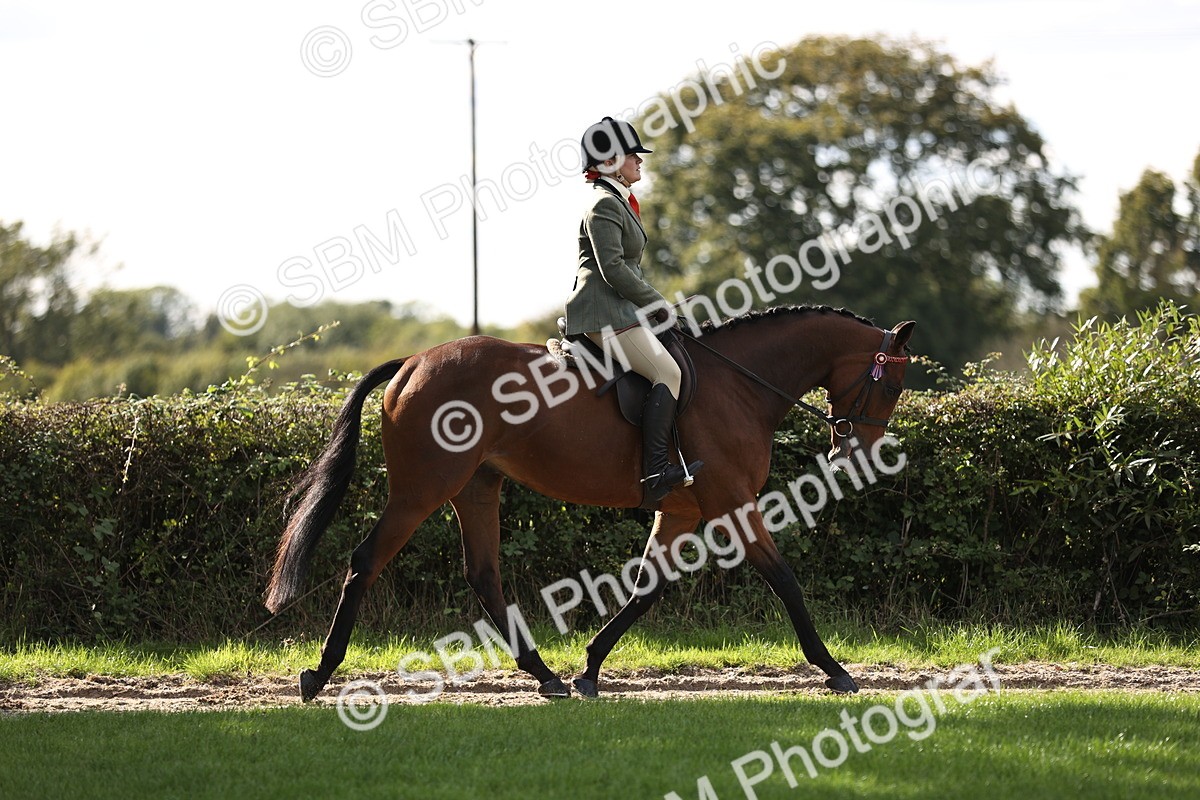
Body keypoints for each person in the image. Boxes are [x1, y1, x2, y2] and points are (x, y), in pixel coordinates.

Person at [563, 116, 703, 502]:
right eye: (632, 155)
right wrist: (657, 304)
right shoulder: (604, 205)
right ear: (609, 161)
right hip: (604, 315)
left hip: (620, 311)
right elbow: (613, 269)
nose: (640, 161)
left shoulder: (617, 202)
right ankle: (656, 469)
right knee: (668, 372)